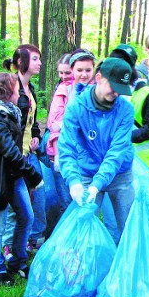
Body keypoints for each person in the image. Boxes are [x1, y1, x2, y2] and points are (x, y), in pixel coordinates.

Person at [58, 57, 136, 237]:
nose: (116, 93)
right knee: (83, 228)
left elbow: (117, 152)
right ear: (99, 77)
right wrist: (74, 181)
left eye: (121, 89)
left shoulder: (125, 109)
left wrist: (98, 184)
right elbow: (67, 147)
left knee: (129, 228)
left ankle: (127, 263)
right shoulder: (77, 107)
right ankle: (84, 264)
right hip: (87, 171)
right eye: (113, 87)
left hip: (120, 174)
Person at [0, 73, 42, 286]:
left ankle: (18, 261)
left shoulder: (10, 112)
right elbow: (8, 150)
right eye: (16, 89)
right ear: (8, 91)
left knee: (26, 216)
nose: (20, 93)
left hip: (13, 175)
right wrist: (31, 173)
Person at [2, 45, 43, 255]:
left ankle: (22, 241)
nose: (39, 63)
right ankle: (7, 245)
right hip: (15, 153)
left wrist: (36, 135)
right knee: (14, 203)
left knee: (32, 196)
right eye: (35, 59)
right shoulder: (11, 86)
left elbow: (32, 120)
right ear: (21, 62)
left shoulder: (31, 88)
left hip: (29, 151)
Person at [46, 49, 97, 210]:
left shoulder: (99, 91)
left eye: (88, 70)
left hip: (92, 155)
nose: (84, 74)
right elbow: (53, 124)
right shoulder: (64, 91)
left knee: (89, 202)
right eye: (79, 70)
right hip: (68, 152)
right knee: (68, 200)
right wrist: (57, 153)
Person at [110, 44, 149, 172]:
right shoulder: (106, 91)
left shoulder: (146, 92)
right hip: (113, 160)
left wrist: (124, 137)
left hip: (143, 162)